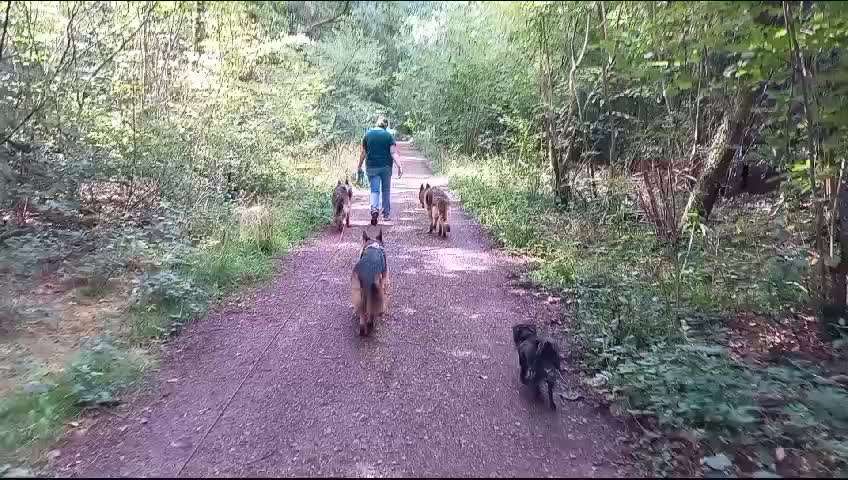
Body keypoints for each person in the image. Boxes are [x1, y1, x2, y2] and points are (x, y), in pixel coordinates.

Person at [357, 115, 403, 225]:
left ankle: (374, 209)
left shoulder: (367, 134)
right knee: (386, 190)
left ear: (377, 124)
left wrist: (359, 166)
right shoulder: (388, 136)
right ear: (386, 125)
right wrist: (399, 166)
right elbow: (393, 153)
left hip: (372, 166)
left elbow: (363, 153)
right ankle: (386, 214)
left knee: (374, 189)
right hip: (386, 167)